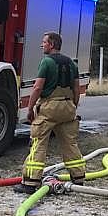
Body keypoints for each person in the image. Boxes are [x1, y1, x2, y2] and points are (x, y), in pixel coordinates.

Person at [16, 32, 86, 194]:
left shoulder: (46, 62)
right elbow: (76, 88)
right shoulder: (71, 64)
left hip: (49, 108)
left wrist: (30, 108)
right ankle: (78, 178)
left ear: (52, 44)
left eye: (44, 42)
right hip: (68, 107)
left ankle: (30, 182)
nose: (42, 45)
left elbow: (38, 87)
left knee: (38, 142)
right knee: (70, 144)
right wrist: (73, 106)